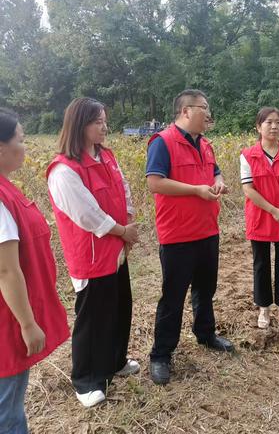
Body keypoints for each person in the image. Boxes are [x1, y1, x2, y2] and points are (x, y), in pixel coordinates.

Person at [46, 98, 140, 408]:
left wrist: (128, 223)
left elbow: (123, 189)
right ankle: (86, 379)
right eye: (98, 121)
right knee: (93, 317)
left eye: (104, 120)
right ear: (80, 125)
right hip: (91, 254)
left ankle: (115, 361)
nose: (105, 127)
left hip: (116, 248)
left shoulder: (107, 156)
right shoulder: (64, 169)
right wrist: (121, 231)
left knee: (119, 307)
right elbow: (87, 215)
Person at [146, 89, 233, 386]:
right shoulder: (163, 142)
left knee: (205, 289)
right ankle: (161, 355)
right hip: (177, 234)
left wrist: (219, 182)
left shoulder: (205, 144)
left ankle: (205, 334)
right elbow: (155, 183)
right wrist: (195, 189)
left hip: (208, 230)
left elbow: (216, 172)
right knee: (173, 297)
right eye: (203, 108)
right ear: (185, 111)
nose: (208, 114)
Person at [0, 108, 69, 432]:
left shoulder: (6, 188)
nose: (26, 147)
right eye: (21, 140)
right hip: (8, 320)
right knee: (7, 409)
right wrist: (28, 325)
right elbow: (6, 271)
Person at [240, 107, 279, 329]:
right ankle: (264, 308)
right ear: (258, 127)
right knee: (261, 263)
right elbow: (248, 189)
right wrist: (274, 211)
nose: (274, 126)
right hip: (261, 217)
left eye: (278, 122)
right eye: (268, 122)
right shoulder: (248, 155)